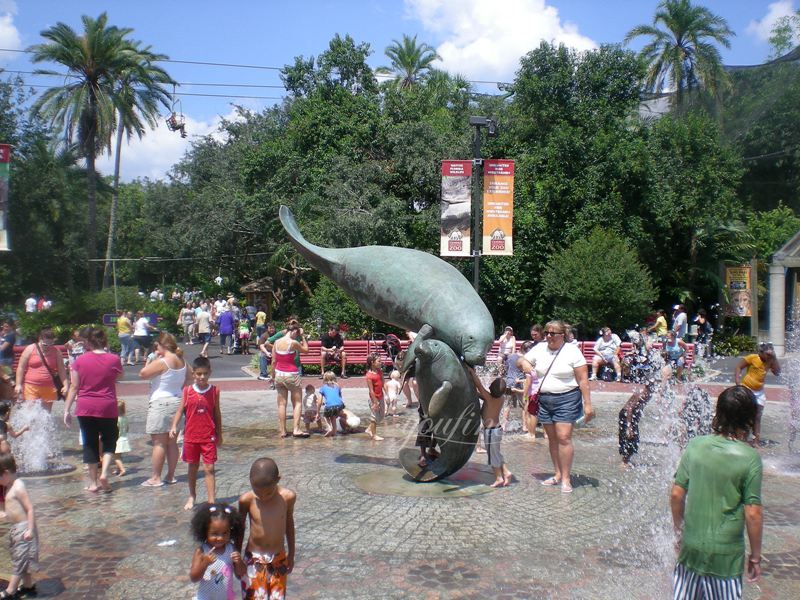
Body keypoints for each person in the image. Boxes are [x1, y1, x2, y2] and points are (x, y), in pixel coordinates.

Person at [670, 386, 763, 599]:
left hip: (691, 549)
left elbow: (676, 495)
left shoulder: (695, 446)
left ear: (718, 412)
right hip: (726, 558)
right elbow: (753, 513)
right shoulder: (750, 458)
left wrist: (679, 532)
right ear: (749, 417)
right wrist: (755, 557)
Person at [527, 320, 593, 494]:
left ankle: (566, 478)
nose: (548, 336)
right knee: (552, 439)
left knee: (564, 438)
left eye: (552, 333)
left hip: (567, 398)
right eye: (547, 332)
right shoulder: (540, 348)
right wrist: (525, 365)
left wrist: (588, 404)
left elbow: (583, 380)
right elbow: (521, 360)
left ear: (562, 335)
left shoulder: (572, 351)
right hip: (545, 399)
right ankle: (557, 474)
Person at [63, 326, 123, 493]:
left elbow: (74, 387)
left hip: (85, 407)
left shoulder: (79, 361)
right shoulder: (113, 359)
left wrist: (66, 410)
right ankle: (104, 473)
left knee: (89, 444)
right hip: (107, 406)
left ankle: (93, 483)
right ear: (105, 341)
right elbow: (119, 377)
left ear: (87, 342)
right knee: (110, 440)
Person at [237, 458, 296, 600]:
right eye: (258, 493)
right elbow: (239, 529)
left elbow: (289, 525)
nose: (263, 497)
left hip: (279, 558)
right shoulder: (246, 500)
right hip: (254, 558)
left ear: (278, 480)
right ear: (250, 481)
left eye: (268, 493)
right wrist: (237, 560)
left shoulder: (287, 497)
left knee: (278, 597)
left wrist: (291, 555)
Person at [170, 356, 222, 511]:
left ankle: (211, 500)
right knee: (192, 467)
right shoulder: (187, 391)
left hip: (208, 436)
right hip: (191, 437)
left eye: (205, 374)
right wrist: (174, 426)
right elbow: (180, 410)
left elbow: (217, 413)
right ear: (193, 374)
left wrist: (220, 433)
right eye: (199, 374)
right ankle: (192, 495)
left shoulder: (214, 391)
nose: (202, 377)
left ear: (210, 373)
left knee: (209, 468)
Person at [139, 332, 189, 487]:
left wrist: (152, 359)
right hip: (177, 401)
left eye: (157, 346)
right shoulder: (182, 361)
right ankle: (171, 475)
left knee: (159, 443)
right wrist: (179, 387)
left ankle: (155, 478)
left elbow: (143, 374)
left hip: (160, 402)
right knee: (172, 442)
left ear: (162, 345)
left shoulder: (162, 361)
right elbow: (191, 377)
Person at [0, 453, 38, 599]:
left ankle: (10, 590)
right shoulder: (9, 485)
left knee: (20, 560)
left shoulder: (18, 486)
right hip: (16, 528)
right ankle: (28, 586)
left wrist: (30, 529)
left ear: (7, 473)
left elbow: (30, 508)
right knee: (22, 558)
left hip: (24, 528)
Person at [189, 502, 245, 600]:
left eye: (225, 533)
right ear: (204, 531)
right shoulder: (202, 551)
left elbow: (240, 573)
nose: (220, 538)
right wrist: (205, 563)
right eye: (214, 534)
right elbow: (194, 578)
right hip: (207, 597)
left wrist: (239, 562)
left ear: (230, 531)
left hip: (226, 596)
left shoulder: (230, 548)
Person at [468, 368, 512, 487]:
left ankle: (498, 478)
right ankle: (506, 472)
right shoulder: (500, 398)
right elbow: (483, 396)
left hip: (491, 432)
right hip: (497, 429)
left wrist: (472, 373)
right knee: (496, 453)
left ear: (492, 388)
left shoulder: (489, 397)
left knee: (492, 455)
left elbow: (479, 386)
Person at [734, 342, 780, 447]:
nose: (768, 356)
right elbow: (738, 367)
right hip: (746, 388)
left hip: (759, 392)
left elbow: (777, 372)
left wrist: (774, 358)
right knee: (744, 414)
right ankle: (740, 437)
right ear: (761, 352)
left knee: (757, 416)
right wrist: (738, 383)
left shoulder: (770, 360)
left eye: (770, 354)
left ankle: (756, 441)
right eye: (767, 354)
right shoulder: (752, 358)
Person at [15, 327, 69, 413]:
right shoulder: (30, 349)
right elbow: (21, 367)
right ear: (39, 339)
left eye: (51, 344)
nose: (48, 347)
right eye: (45, 345)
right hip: (31, 386)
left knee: (45, 415)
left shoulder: (56, 351)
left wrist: (66, 385)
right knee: (30, 414)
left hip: (49, 387)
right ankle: (25, 427)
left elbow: (61, 370)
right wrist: (18, 384)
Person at [272, 321, 309, 438]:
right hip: (292, 374)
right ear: (293, 331)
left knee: (281, 404)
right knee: (297, 402)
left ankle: (283, 431)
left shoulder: (276, 342)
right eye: (296, 333)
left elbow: (273, 361)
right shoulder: (293, 343)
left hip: (279, 374)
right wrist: (303, 336)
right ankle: (296, 429)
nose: (296, 335)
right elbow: (306, 350)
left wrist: (273, 376)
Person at [618, 384, 653, 468]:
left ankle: (626, 460)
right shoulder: (642, 394)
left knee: (634, 439)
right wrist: (629, 427)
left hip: (630, 416)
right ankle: (624, 462)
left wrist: (637, 419)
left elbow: (639, 407)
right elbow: (630, 408)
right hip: (626, 415)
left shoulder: (649, 394)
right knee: (631, 437)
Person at [318, 371, 347, 437]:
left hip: (330, 406)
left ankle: (329, 428)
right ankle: (334, 432)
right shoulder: (338, 386)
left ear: (324, 379)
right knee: (333, 417)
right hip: (340, 405)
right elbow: (339, 397)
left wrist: (317, 412)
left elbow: (319, 401)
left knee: (325, 416)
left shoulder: (323, 388)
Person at [364, 354, 385, 441]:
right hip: (374, 399)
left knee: (381, 416)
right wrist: (375, 402)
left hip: (381, 397)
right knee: (374, 417)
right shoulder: (369, 376)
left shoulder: (380, 371)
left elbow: (383, 383)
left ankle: (369, 429)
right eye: (379, 361)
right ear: (372, 363)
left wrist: (386, 395)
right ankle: (374, 435)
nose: (381, 362)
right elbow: (371, 391)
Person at [113, 400, 130, 477]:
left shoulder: (116, 419)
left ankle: (122, 469)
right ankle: (118, 469)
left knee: (116, 457)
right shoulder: (125, 418)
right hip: (124, 439)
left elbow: (116, 431)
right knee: (119, 456)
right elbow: (127, 428)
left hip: (118, 440)